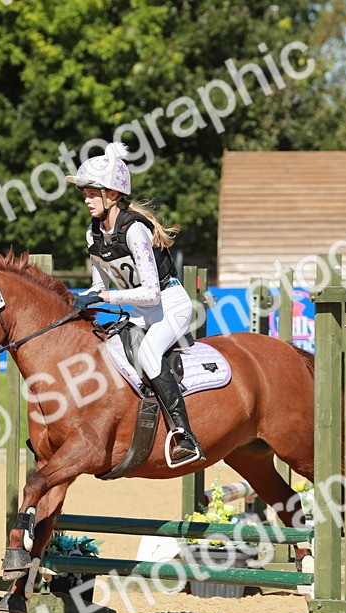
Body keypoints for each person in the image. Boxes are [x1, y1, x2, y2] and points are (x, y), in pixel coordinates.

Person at [65, 142, 203, 467]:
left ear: (112, 194)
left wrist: (105, 297)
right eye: (84, 193)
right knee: (103, 356)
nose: (85, 200)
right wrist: (80, 299)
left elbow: (151, 293)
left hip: (170, 305)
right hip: (138, 312)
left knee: (148, 354)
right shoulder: (93, 234)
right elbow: (100, 286)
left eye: (90, 193)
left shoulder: (135, 230)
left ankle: (185, 436)